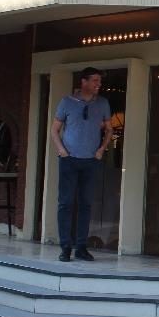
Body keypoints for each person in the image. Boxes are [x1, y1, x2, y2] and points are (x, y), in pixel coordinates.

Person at [49, 67, 112, 262]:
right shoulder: (67, 102)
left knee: (86, 204)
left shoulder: (102, 103)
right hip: (69, 160)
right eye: (95, 80)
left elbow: (109, 129)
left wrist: (101, 149)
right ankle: (65, 247)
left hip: (91, 161)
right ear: (84, 82)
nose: (98, 84)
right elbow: (54, 129)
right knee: (65, 203)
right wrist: (62, 150)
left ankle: (81, 247)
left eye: (99, 81)